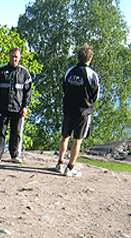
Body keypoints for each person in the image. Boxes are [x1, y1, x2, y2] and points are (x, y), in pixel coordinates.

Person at [53, 43, 99, 177]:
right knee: (77, 139)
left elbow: (64, 88)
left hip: (68, 109)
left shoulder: (70, 71)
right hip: (83, 112)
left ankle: (60, 163)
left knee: (65, 136)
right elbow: (95, 95)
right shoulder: (91, 74)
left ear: (78, 57)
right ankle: (70, 167)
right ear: (89, 59)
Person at [0, 48, 32, 164]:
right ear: (9, 56)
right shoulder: (1, 71)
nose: (14, 58)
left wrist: (25, 106)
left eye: (16, 56)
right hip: (3, 107)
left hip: (18, 108)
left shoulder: (24, 73)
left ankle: (15, 155)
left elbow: (28, 92)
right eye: (12, 56)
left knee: (17, 132)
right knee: (0, 132)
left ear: (20, 57)